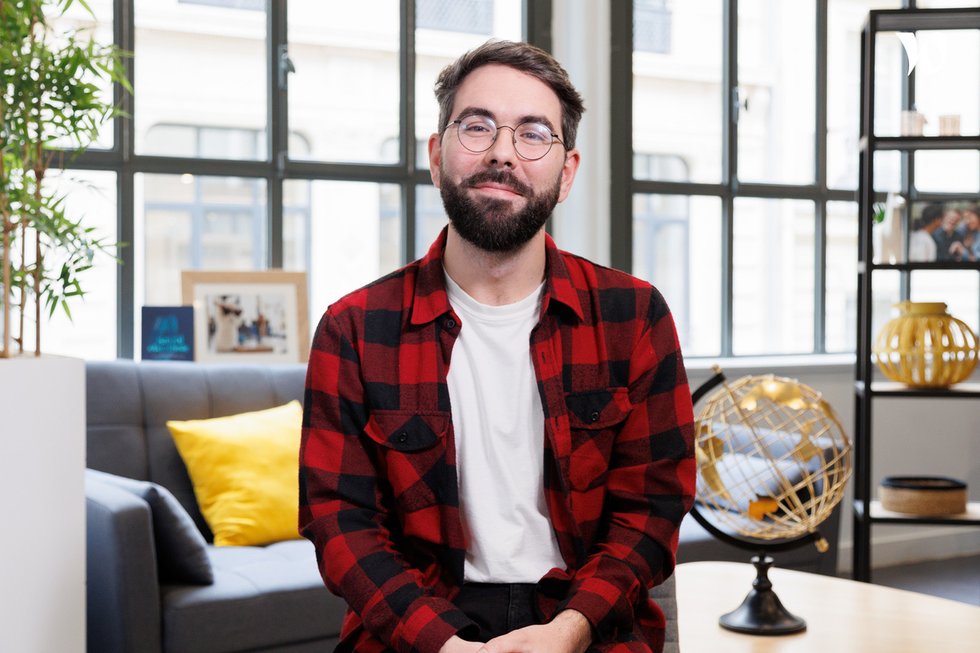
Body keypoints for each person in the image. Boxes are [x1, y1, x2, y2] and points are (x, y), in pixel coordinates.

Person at [299, 40, 695, 653]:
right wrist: (445, 645)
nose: (503, 153)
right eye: (477, 126)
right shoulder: (352, 329)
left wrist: (570, 629)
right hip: (418, 625)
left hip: (584, 619)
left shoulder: (635, 316)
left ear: (566, 174)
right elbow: (340, 522)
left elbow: (653, 508)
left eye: (534, 134)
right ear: (436, 156)